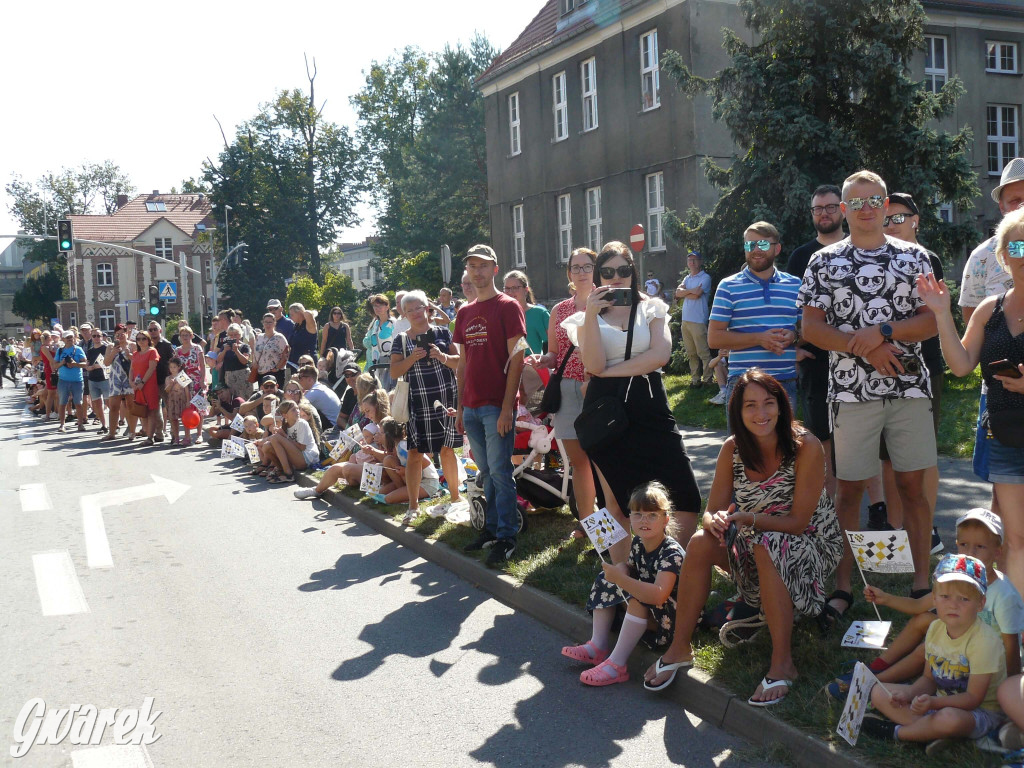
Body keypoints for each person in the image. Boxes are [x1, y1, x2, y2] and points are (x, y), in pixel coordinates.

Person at [642, 370, 841, 704]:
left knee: (766, 544)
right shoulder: (732, 449)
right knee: (700, 542)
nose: (760, 413)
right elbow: (711, 511)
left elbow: (797, 522)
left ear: (782, 405)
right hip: (755, 537)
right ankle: (679, 647)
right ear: (738, 411)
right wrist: (715, 520)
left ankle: (783, 664)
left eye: (768, 403)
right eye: (750, 405)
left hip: (810, 545)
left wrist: (747, 518)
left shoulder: (805, 445)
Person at [800, 169, 938, 616]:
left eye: (873, 200)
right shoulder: (823, 262)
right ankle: (844, 587)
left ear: (884, 203)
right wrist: (867, 351)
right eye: (855, 203)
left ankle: (921, 581)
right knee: (849, 490)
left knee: (913, 485)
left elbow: (930, 322)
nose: (865, 209)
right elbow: (812, 328)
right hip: (851, 393)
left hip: (910, 388)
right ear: (843, 210)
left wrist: (881, 332)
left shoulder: (915, 257)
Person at [563, 241, 702, 554]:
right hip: (605, 410)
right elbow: (593, 364)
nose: (616, 278)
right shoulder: (586, 316)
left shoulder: (652, 307)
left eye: (623, 271)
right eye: (608, 271)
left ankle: (670, 566)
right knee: (612, 501)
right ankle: (617, 570)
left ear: (633, 273)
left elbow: (660, 356)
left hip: (649, 403)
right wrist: (592, 314)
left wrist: (611, 374)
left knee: (687, 493)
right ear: (598, 275)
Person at [918, 206, 1024, 596]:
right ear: (1004, 255)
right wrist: (943, 315)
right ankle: (1017, 630)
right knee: (1015, 539)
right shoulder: (989, 309)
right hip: (1007, 437)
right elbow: (961, 365)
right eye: (1019, 246)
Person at [829, 508, 1024, 701]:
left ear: (998, 551)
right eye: (964, 544)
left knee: (925, 649)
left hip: (982, 658)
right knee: (923, 619)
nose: (970, 552)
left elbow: (1011, 646)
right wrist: (885, 598)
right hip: (960, 641)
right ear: (956, 545)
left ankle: (871, 682)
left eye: (980, 546)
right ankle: (877, 668)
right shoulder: (957, 578)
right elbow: (918, 606)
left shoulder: (1004, 594)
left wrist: (1010, 690)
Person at [864, 555, 1006, 753]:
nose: (953, 605)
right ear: (934, 599)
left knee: (949, 719)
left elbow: (973, 698)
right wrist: (911, 695)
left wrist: (933, 702)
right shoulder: (935, 629)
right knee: (880, 692)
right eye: (945, 596)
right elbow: (928, 679)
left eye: (964, 599)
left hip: (979, 713)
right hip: (938, 704)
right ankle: (931, 732)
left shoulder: (984, 641)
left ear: (980, 603)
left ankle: (897, 732)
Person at [562, 482, 684, 687]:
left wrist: (622, 579)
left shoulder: (670, 552)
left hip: (671, 620)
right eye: (637, 514)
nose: (644, 520)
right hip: (652, 610)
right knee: (606, 578)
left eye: (652, 515)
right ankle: (597, 646)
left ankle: (617, 665)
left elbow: (659, 595)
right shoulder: (638, 543)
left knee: (637, 599)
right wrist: (620, 570)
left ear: (666, 519)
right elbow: (630, 567)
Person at [455, 244, 527, 566]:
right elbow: (462, 364)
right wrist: (459, 407)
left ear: (494, 269)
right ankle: (493, 528)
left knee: (500, 471)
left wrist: (508, 407)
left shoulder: (509, 307)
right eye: (472, 266)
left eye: (483, 266)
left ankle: (507, 536)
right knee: (486, 472)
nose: (477, 271)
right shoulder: (464, 312)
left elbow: (518, 359)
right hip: (470, 408)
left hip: (496, 407)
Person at [880, 193, 945, 548]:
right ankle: (895, 532)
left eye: (899, 218)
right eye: (886, 219)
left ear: (916, 220)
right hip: (883, 366)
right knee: (888, 457)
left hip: (923, 367)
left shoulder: (926, 259)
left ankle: (927, 528)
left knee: (922, 454)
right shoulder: (877, 257)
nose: (891, 225)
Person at [959, 157, 1023, 508]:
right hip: (999, 391)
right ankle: (1002, 551)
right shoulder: (983, 257)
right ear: (1000, 205)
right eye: (1015, 200)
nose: (1022, 205)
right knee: (1003, 482)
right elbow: (973, 322)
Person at [528, 247, 598, 536]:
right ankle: (588, 524)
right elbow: (555, 355)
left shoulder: (607, 301)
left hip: (601, 388)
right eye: (576, 267)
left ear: (596, 269)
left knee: (603, 459)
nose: (581, 272)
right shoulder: (560, 310)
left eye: (587, 266)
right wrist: (544, 360)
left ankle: (616, 524)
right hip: (568, 389)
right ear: (569, 273)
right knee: (579, 462)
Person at [708, 221, 801, 430]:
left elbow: (808, 330)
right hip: (743, 384)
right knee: (743, 455)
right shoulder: (728, 286)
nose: (756, 250)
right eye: (750, 245)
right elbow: (714, 338)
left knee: (785, 454)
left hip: (784, 383)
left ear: (777, 248)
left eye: (763, 245)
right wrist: (759, 338)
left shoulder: (796, 285)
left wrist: (794, 336)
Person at [384, 290, 464, 524]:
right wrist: (412, 358)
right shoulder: (401, 340)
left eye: (419, 307)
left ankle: (456, 497)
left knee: (448, 449)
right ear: (405, 314)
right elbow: (394, 371)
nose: (417, 313)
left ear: (427, 308)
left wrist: (441, 357)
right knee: (415, 452)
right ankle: (413, 506)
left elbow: (459, 362)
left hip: (446, 399)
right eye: (410, 310)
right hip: (418, 401)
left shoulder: (442, 332)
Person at [787, 184, 846, 498]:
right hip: (815, 360)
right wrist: (793, 346)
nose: (824, 213)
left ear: (842, 209)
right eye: (818, 208)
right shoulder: (800, 257)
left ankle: (872, 511)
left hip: (858, 359)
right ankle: (828, 516)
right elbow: (789, 308)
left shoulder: (858, 247)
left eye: (830, 207)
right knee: (821, 437)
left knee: (864, 438)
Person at [674, 250, 714, 388]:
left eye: (695, 260)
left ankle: (708, 379)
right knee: (691, 353)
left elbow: (697, 294)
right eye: (690, 260)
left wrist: (686, 293)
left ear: (700, 262)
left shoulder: (705, 277)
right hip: (686, 321)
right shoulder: (687, 278)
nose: (692, 262)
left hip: (698, 320)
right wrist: (690, 291)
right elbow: (677, 293)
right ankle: (695, 380)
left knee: (703, 352)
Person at [262, 400, 319, 484]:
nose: (298, 411)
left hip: (307, 459)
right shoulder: (285, 425)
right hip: (297, 457)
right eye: (293, 410)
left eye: (297, 408)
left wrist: (284, 436)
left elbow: (302, 447)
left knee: (275, 438)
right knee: (266, 446)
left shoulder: (302, 423)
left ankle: (288, 474)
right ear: (285, 415)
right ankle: (281, 470)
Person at [102, 325, 135, 442]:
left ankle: (132, 431)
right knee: (114, 406)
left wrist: (130, 355)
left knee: (131, 406)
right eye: (117, 335)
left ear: (127, 333)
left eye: (122, 334)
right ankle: (112, 432)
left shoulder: (132, 345)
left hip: (129, 377)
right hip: (115, 378)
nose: (120, 336)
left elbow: (137, 361)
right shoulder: (111, 346)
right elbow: (106, 363)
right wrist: (113, 352)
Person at [129, 330, 161, 445]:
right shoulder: (136, 354)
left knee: (151, 411)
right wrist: (131, 381)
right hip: (137, 386)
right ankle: (148, 433)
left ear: (148, 340)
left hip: (149, 385)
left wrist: (143, 382)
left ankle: (150, 437)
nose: (141, 341)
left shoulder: (152, 351)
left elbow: (152, 368)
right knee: (142, 410)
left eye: (144, 339)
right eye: (138, 339)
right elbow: (132, 369)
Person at [54, 330, 88, 432]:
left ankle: (80, 424)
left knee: (78, 402)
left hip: (77, 380)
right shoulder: (60, 351)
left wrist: (74, 364)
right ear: (63, 339)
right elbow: (54, 366)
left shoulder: (78, 349)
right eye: (67, 337)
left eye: (71, 337)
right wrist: (63, 362)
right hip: (63, 380)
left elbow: (85, 364)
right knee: (63, 402)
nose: (69, 339)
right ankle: (62, 424)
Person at [147, 321, 175, 442]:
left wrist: (172, 378)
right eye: (150, 330)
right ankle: (159, 433)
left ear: (160, 331)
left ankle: (174, 434)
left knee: (170, 408)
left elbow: (173, 361)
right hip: (151, 381)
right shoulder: (146, 344)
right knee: (154, 409)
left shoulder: (167, 344)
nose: (152, 331)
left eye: (155, 329)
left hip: (165, 380)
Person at [364, 294, 396, 391]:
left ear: (387, 306)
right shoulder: (376, 323)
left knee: (388, 390)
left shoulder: (393, 323)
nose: (377, 308)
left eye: (380, 305)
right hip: (375, 363)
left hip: (389, 363)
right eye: (375, 306)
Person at [296, 365, 341, 431]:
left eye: (300, 378)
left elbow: (295, 407)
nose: (298, 380)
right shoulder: (320, 388)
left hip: (332, 428)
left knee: (304, 412)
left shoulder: (315, 392)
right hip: (335, 425)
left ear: (309, 379)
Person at [218, 323, 253, 403]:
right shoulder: (225, 346)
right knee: (233, 399)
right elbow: (219, 360)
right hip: (229, 376)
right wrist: (224, 351)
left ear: (240, 335)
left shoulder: (244, 346)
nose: (233, 337)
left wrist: (237, 351)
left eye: (236, 334)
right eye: (231, 335)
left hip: (243, 376)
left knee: (245, 398)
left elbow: (245, 361)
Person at [83, 328, 110, 433]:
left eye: (98, 336)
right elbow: (88, 362)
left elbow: (108, 362)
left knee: (109, 402)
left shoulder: (106, 348)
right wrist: (87, 367)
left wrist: (95, 366)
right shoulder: (90, 350)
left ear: (102, 337)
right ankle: (104, 425)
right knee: (97, 404)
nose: (96, 338)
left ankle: (115, 424)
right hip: (93, 379)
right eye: (94, 336)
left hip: (104, 378)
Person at [164, 357, 193, 446]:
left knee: (185, 419)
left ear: (179, 367)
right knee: (173, 419)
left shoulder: (182, 376)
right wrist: (171, 384)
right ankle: (176, 438)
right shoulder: (168, 378)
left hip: (182, 400)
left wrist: (188, 401)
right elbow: (167, 390)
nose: (172, 369)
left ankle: (187, 437)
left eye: (174, 367)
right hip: (172, 400)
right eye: (171, 367)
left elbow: (186, 390)